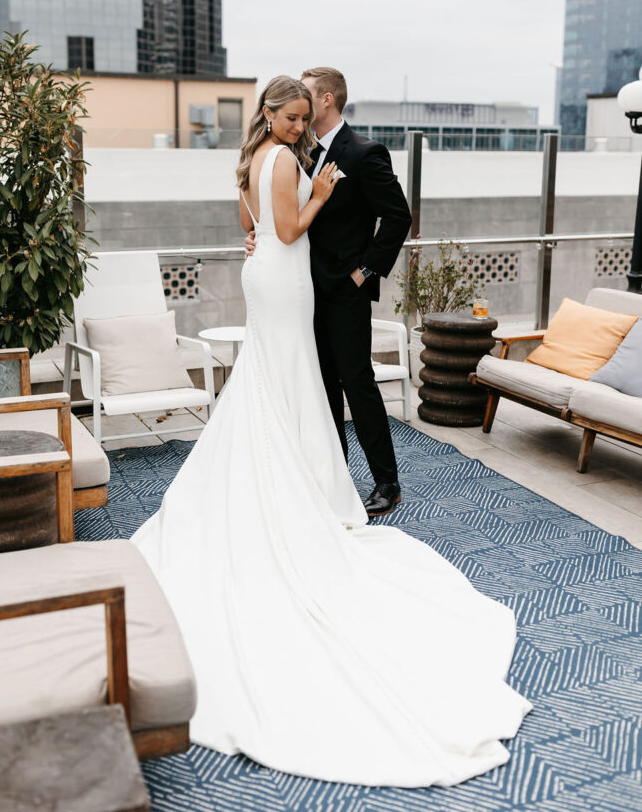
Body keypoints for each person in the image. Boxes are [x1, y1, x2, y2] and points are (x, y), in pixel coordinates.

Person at [131, 75, 531, 788]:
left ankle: (363, 477)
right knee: (298, 385)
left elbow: (380, 217)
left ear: (324, 102)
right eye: (289, 113)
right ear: (275, 113)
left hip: (314, 284)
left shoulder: (296, 152)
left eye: (304, 110)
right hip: (287, 280)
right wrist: (312, 199)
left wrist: (357, 268)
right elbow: (284, 226)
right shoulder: (287, 155)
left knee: (327, 388)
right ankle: (309, 482)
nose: (298, 121)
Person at [245, 67, 411, 517]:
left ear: (327, 101)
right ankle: (332, 476)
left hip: (345, 290)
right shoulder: (297, 152)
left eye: (308, 98)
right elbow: (283, 212)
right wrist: (259, 236)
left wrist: (365, 272)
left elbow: (398, 217)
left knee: (357, 382)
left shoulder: (364, 153)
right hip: (299, 289)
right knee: (320, 387)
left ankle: (386, 482)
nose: (300, 107)